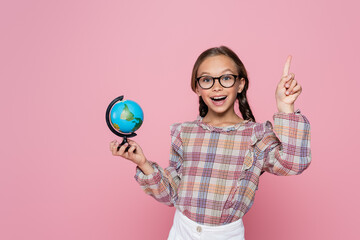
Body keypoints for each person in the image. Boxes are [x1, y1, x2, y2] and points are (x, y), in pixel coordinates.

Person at [109, 46, 311, 240]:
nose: (216, 86)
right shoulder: (184, 133)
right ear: (197, 88)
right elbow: (172, 195)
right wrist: (143, 162)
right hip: (182, 232)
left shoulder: (256, 135)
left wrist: (285, 108)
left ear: (240, 84)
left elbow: (293, 163)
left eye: (226, 78)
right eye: (207, 80)